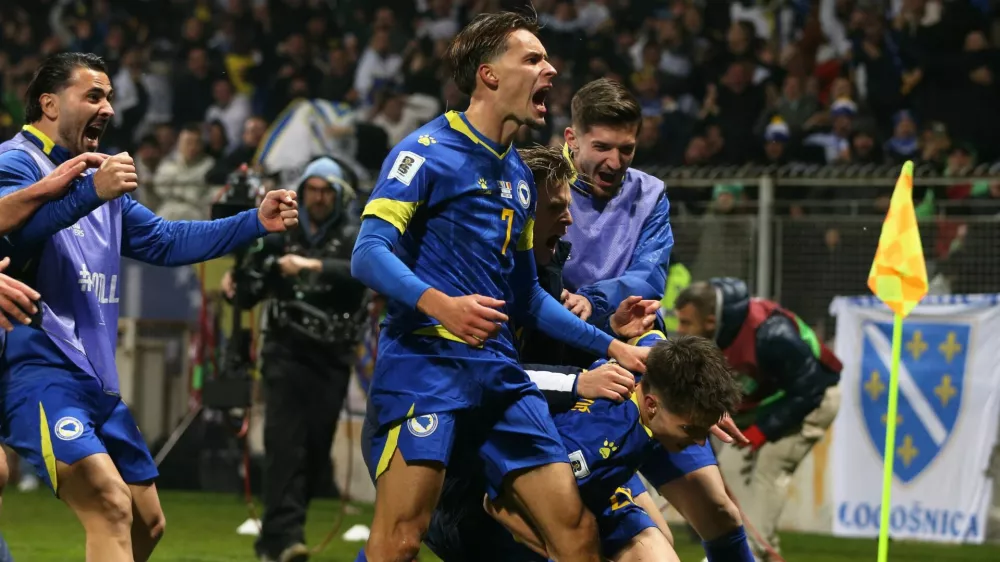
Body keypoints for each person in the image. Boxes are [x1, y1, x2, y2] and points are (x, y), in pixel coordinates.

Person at [350, 12, 650, 562]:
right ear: (488, 74)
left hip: (499, 373)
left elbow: (527, 296)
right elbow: (367, 253)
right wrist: (443, 307)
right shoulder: (426, 151)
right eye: (533, 59)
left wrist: (611, 346)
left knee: (575, 532)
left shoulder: (519, 177)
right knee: (400, 541)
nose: (550, 69)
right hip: (427, 365)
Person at [0, 52, 299, 562]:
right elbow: (14, 230)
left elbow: (165, 240)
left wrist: (255, 222)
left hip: (94, 377)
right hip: (38, 363)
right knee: (110, 504)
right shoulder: (16, 161)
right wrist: (88, 193)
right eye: (93, 95)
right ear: (49, 104)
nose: (109, 108)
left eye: (110, 96)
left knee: (147, 521)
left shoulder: (101, 175)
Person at [425, 144, 753, 562]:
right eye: (558, 206)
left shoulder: (545, 267)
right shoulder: (475, 278)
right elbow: (480, 375)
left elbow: (573, 340)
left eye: (629, 147)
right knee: (397, 540)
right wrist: (577, 381)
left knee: (672, 540)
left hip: (580, 432)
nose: (569, 218)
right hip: (475, 467)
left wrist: (694, 393)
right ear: (518, 204)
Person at [486, 333, 748, 562]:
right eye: (691, 430)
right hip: (520, 509)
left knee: (663, 538)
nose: (701, 442)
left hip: (597, 488)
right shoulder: (593, 450)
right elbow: (497, 504)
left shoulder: (646, 366)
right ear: (652, 404)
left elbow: (651, 337)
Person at [223, 157, 369, 562]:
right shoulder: (281, 231)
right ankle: (286, 539)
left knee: (316, 449)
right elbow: (253, 282)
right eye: (312, 190)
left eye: (325, 190)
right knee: (285, 446)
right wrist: (237, 284)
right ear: (302, 192)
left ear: (338, 194)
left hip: (333, 356)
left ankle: (276, 540)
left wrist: (313, 265)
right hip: (286, 351)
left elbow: (362, 272)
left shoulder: (355, 234)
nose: (318, 198)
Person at [675, 277, 843, 561]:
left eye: (686, 323)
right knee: (728, 464)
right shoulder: (716, 337)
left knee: (770, 466)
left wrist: (763, 430)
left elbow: (809, 388)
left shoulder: (771, 333)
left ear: (711, 321)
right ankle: (736, 547)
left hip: (815, 397)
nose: (679, 331)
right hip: (772, 403)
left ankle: (753, 551)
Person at [557, 78, 674, 352]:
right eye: (602, 147)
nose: (615, 162)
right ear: (572, 139)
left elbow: (649, 275)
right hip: (551, 330)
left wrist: (592, 301)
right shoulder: (540, 185)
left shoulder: (650, 194)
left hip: (624, 327)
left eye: (626, 149)